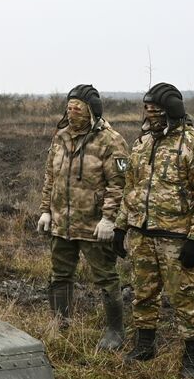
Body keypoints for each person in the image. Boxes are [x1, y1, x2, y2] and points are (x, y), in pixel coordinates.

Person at [114, 83, 194, 377]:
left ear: (171, 111)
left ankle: (193, 356)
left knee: (183, 297)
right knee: (143, 294)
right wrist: (122, 226)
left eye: (156, 111)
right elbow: (130, 189)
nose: (150, 116)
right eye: (146, 110)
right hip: (142, 235)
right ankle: (144, 346)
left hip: (176, 237)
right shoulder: (142, 144)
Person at [36, 84, 130, 349]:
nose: (72, 111)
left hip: (94, 224)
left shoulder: (111, 140)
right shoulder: (61, 137)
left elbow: (119, 183)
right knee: (59, 275)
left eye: (79, 107)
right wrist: (45, 210)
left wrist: (109, 219)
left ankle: (115, 331)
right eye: (69, 106)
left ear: (92, 110)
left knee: (106, 277)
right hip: (62, 223)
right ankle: (60, 324)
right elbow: (50, 177)